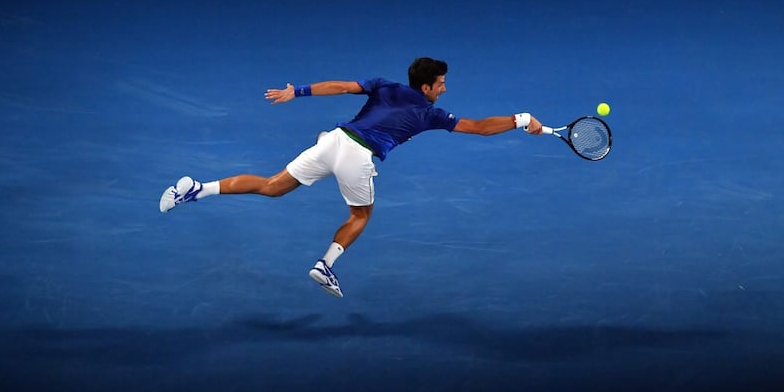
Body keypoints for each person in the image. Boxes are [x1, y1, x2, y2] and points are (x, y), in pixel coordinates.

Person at [159, 57, 543, 298]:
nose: (444, 88)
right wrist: (520, 120)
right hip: (358, 157)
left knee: (273, 186)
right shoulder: (431, 114)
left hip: (334, 140)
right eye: (441, 83)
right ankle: (325, 265)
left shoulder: (385, 85)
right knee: (360, 216)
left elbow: (341, 87)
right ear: (426, 87)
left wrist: (299, 92)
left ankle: (196, 188)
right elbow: (477, 127)